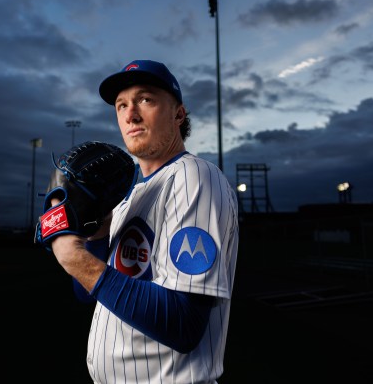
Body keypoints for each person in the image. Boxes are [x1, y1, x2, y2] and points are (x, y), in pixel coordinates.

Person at [48, 59, 239, 383]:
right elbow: (87, 294)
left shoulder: (194, 176)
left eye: (145, 99)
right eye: (121, 105)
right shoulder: (127, 200)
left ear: (178, 114)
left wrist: (74, 258)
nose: (130, 114)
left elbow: (184, 324)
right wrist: (93, 236)